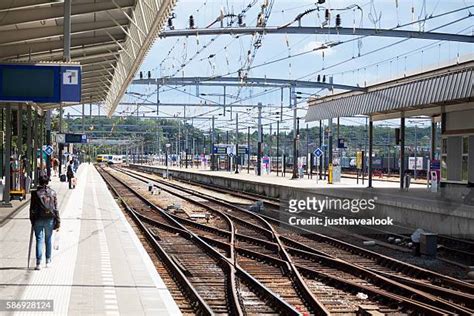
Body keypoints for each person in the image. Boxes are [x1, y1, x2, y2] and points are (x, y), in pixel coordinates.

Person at [29, 174, 60, 270]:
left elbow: (31, 209)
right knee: (48, 240)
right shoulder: (53, 193)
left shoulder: (35, 194)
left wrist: (32, 220)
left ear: (39, 182)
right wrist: (58, 221)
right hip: (50, 218)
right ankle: (48, 261)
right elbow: (55, 209)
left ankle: (38, 263)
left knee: (39, 240)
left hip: (38, 218)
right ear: (47, 182)